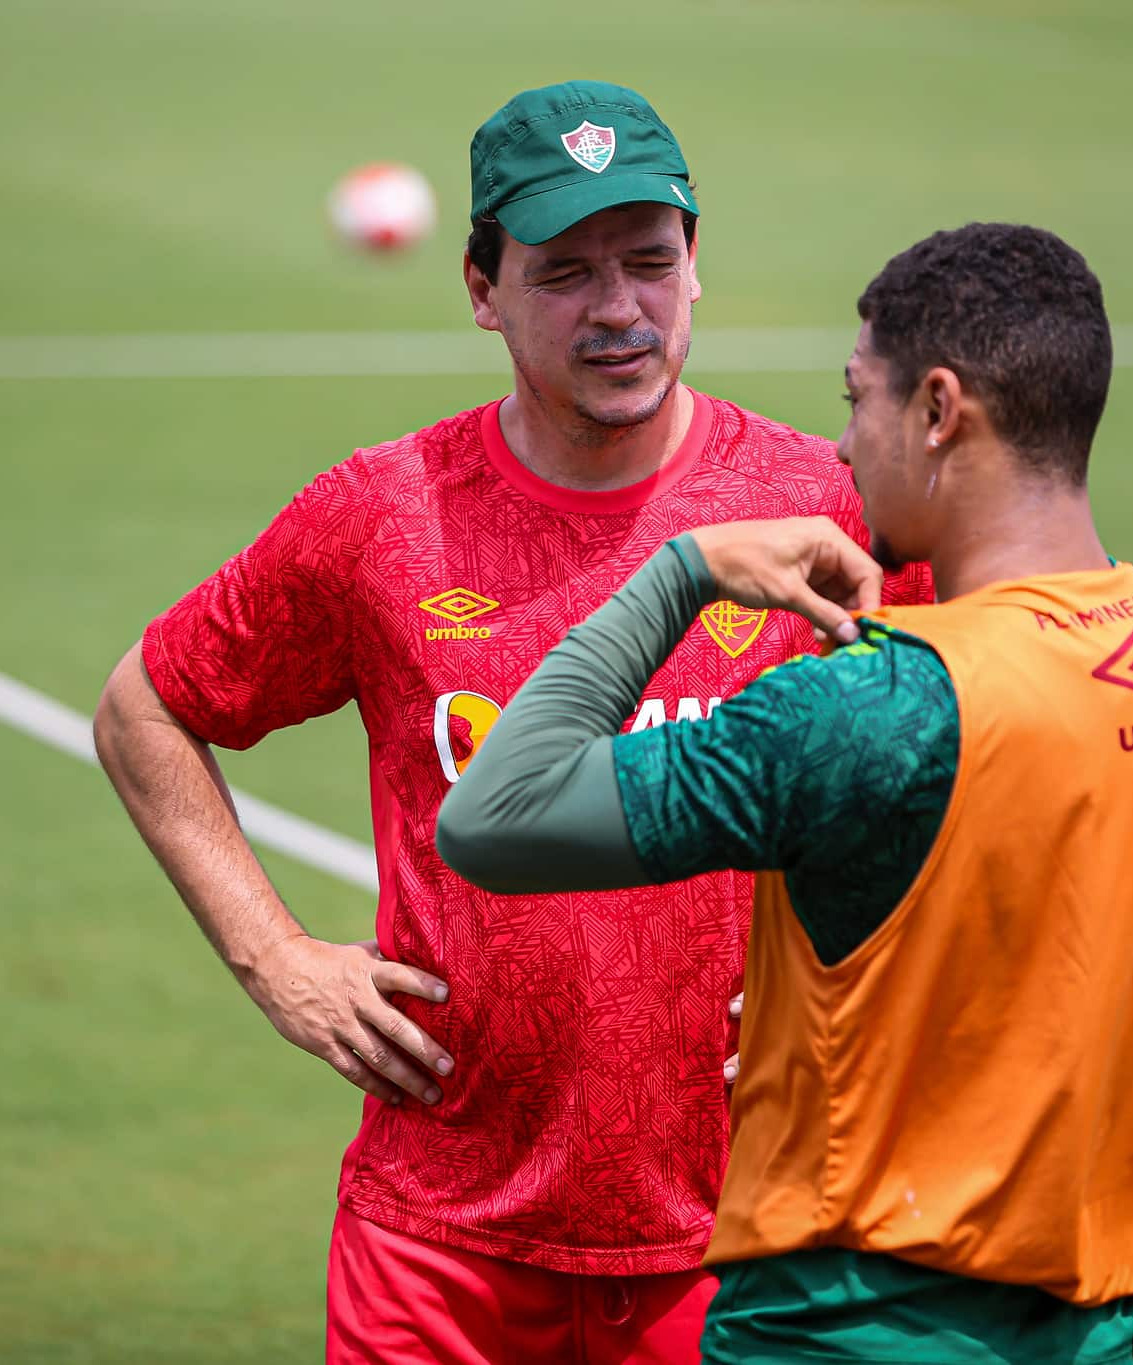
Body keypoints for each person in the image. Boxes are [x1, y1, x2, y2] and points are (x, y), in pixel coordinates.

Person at [92, 80, 928, 1363]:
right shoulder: (382, 516)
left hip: (752, 1233)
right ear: (482, 288)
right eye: (565, 273)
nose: (618, 310)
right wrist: (276, 959)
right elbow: (145, 706)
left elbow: (980, 760)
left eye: (649, 262)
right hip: (440, 1244)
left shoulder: (823, 504)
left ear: (695, 267)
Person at [438, 223, 1133, 1365]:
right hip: (1107, 1320)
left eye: (856, 399)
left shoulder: (868, 708)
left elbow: (495, 815)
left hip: (848, 1325)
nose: (840, 446)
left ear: (937, 410)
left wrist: (680, 569)